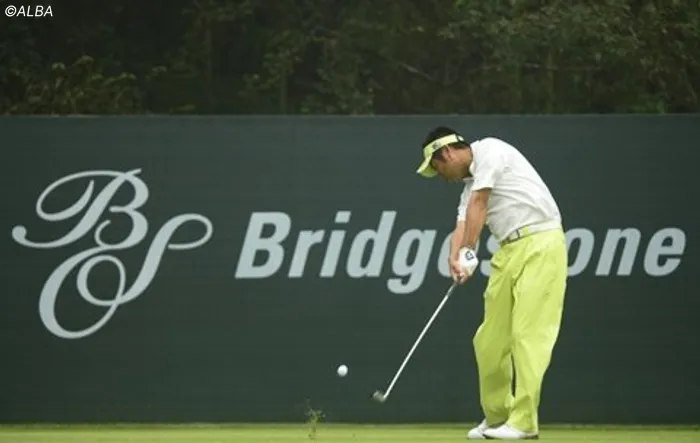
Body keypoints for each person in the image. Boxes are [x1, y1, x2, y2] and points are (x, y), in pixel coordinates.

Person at [415, 126, 568, 440]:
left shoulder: (491, 151)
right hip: (508, 251)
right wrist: (456, 258)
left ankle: (524, 422)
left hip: (542, 243)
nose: (442, 177)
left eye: (438, 168)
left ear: (447, 152)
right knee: (489, 341)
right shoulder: (468, 187)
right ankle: (498, 416)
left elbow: (479, 205)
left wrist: (468, 251)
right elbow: (462, 224)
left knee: (527, 336)